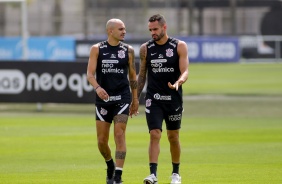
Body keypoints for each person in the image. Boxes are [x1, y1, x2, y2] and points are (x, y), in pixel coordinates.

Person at [137, 14, 189, 184]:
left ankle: (176, 174)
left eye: (155, 29)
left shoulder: (179, 46)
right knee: (154, 134)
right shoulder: (145, 48)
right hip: (154, 99)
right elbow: (142, 75)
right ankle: (153, 174)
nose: (152, 32)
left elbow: (185, 71)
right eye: (150, 30)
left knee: (173, 136)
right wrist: (135, 99)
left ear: (164, 27)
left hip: (173, 98)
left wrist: (179, 82)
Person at [87, 18, 139, 184]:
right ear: (110, 31)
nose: (124, 31)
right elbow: (89, 74)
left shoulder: (128, 50)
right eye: (120, 29)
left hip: (122, 99)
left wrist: (135, 98)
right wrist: (98, 88)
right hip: (103, 101)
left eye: (124, 29)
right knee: (102, 142)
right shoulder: (97, 49)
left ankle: (118, 176)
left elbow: (132, 76)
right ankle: (110, 163)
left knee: (119, 134)